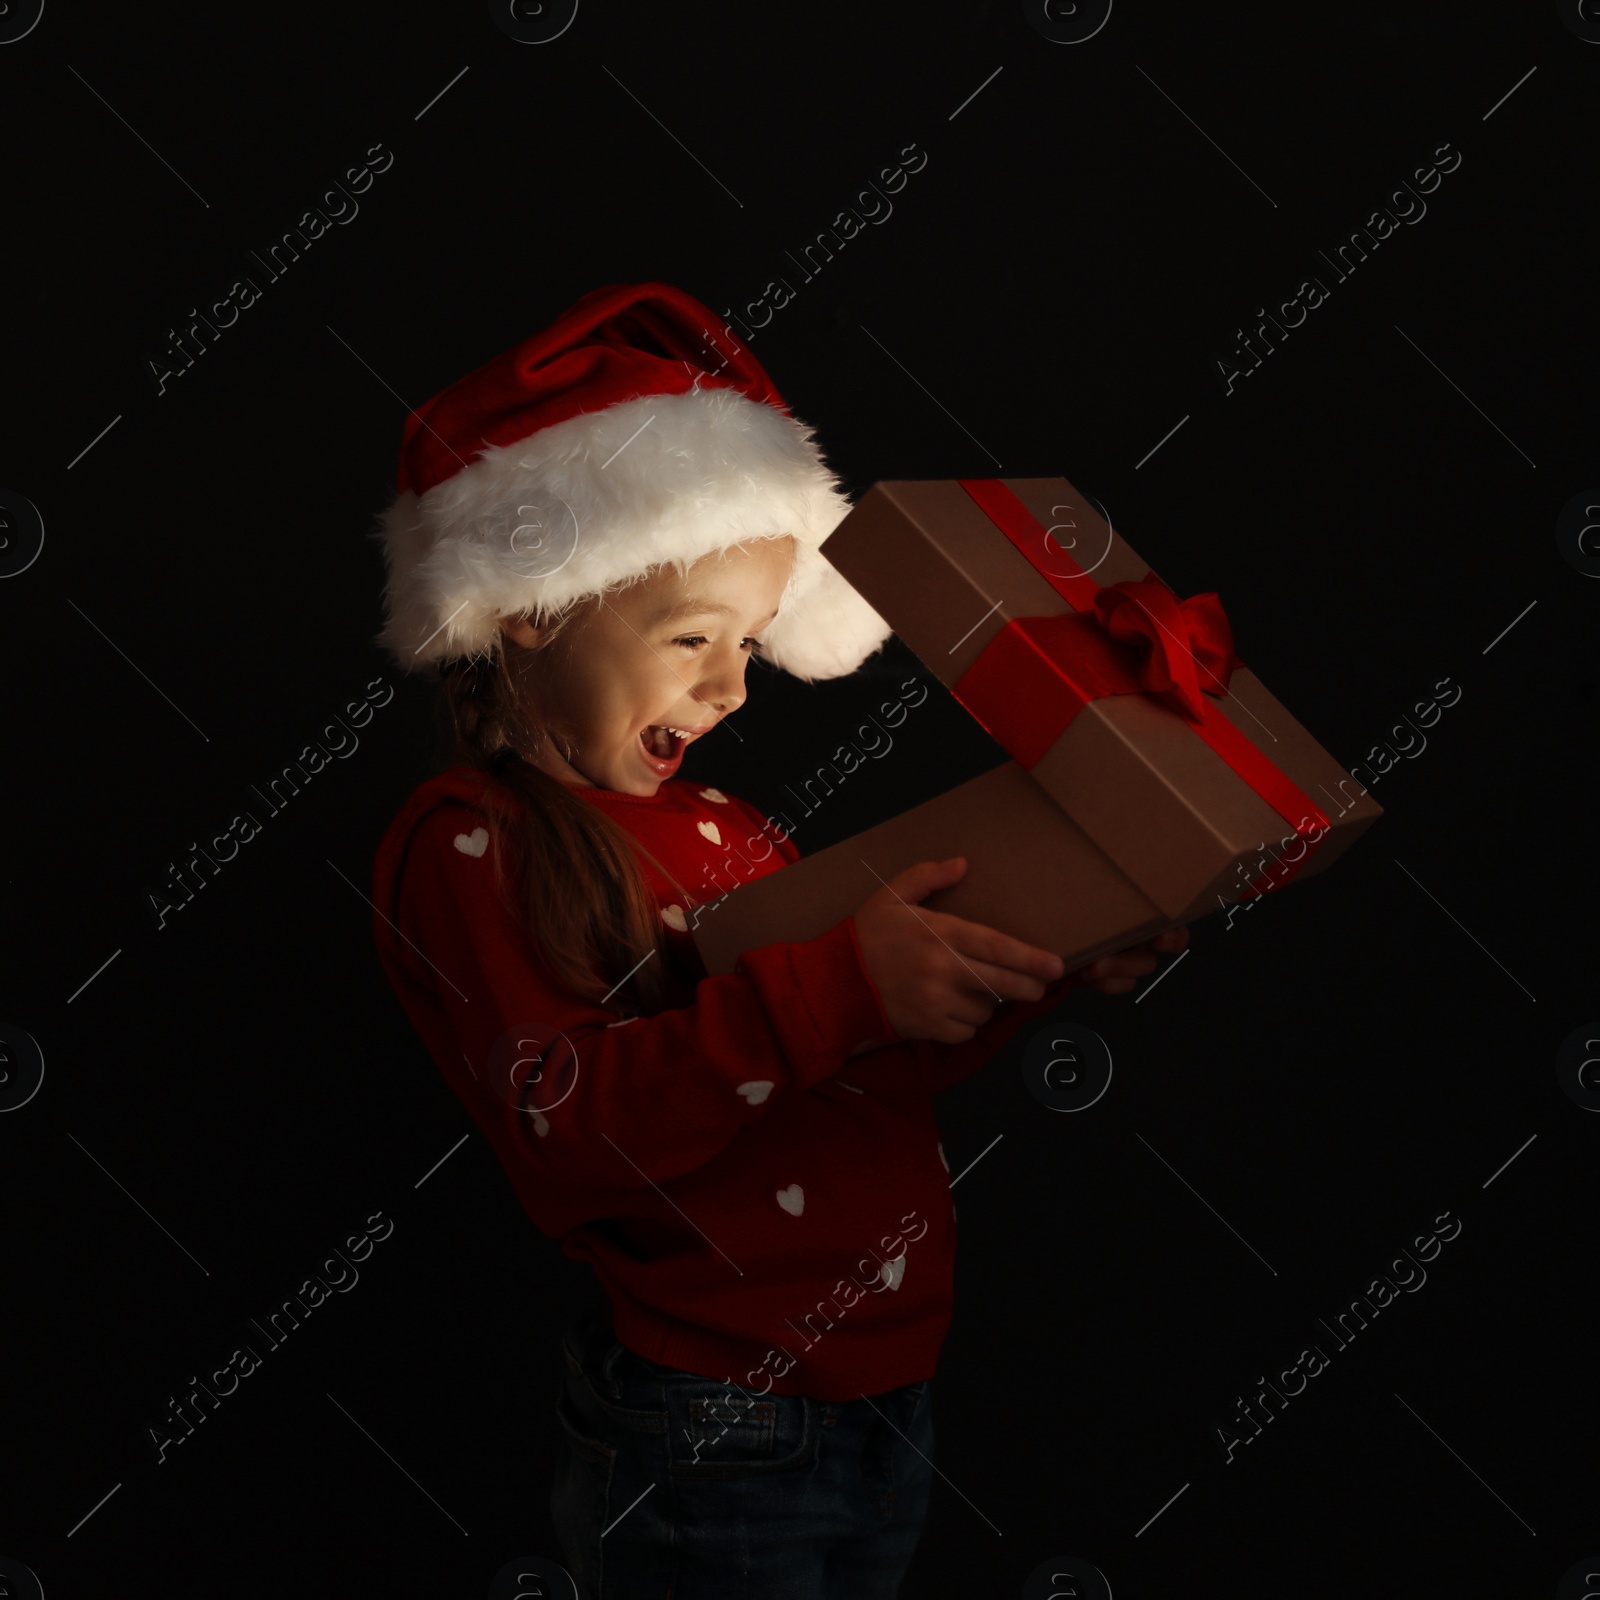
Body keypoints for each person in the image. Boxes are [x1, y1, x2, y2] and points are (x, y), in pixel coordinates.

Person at [367, 282, 1187, 1599]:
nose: (731, 684)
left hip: (886, 1384)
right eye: (692, 637)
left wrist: (1033, 964)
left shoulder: (725, 823)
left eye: (747, 641)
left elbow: (852, 1068)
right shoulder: (471, 841)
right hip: (715, 1420)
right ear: (531, 607)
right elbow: (569, 1127)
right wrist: (843, 982)